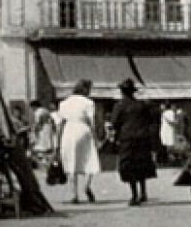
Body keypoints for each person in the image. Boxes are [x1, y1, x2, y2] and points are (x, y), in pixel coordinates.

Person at [110, 77, 159, 206]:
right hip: (142, 137)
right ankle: (143, 192)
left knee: (129, 167)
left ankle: (134, 195)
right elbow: (150, 119)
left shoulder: (119, 106)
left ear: (122, 91)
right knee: (141, 164)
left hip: (128, 139)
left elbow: (114, 122)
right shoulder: (141, 105)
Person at [54, 80, 99, 204]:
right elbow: (91, 122)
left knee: (70, 161)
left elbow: (59, 124)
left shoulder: (64, 103)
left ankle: (74, 194)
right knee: (90, 158)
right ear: (85, 89)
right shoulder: (89, 103)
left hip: (69, 131)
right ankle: (87, 185)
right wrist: (95, 137)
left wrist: (57, 142)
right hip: (83, 129)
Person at [30, 99, 57, 168]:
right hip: (49, 128)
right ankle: (46, 159)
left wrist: (35, 131)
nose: (32, 109)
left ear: (34, 106)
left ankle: (44, 160)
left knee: (42, 145)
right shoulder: (45, 110)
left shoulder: (38, 112)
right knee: (48, 144)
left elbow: (38, 122)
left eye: (32, 107)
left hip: (43, 129)